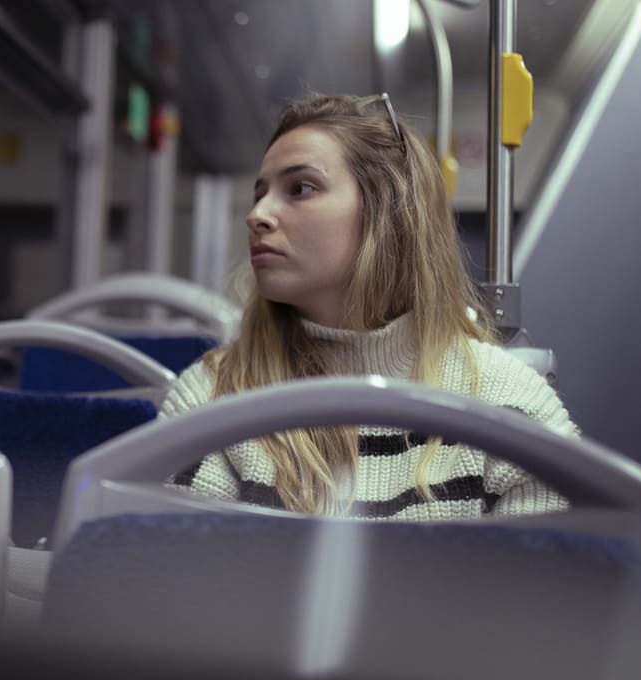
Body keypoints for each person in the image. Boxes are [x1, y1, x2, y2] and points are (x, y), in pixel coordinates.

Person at [161, 93, 577, 520]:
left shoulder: (507, 403)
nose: (257, 215)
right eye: (260, 194)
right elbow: (184, 574)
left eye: (300, 188)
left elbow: (541, 579)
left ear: (387, 212)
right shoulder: (212, 397)